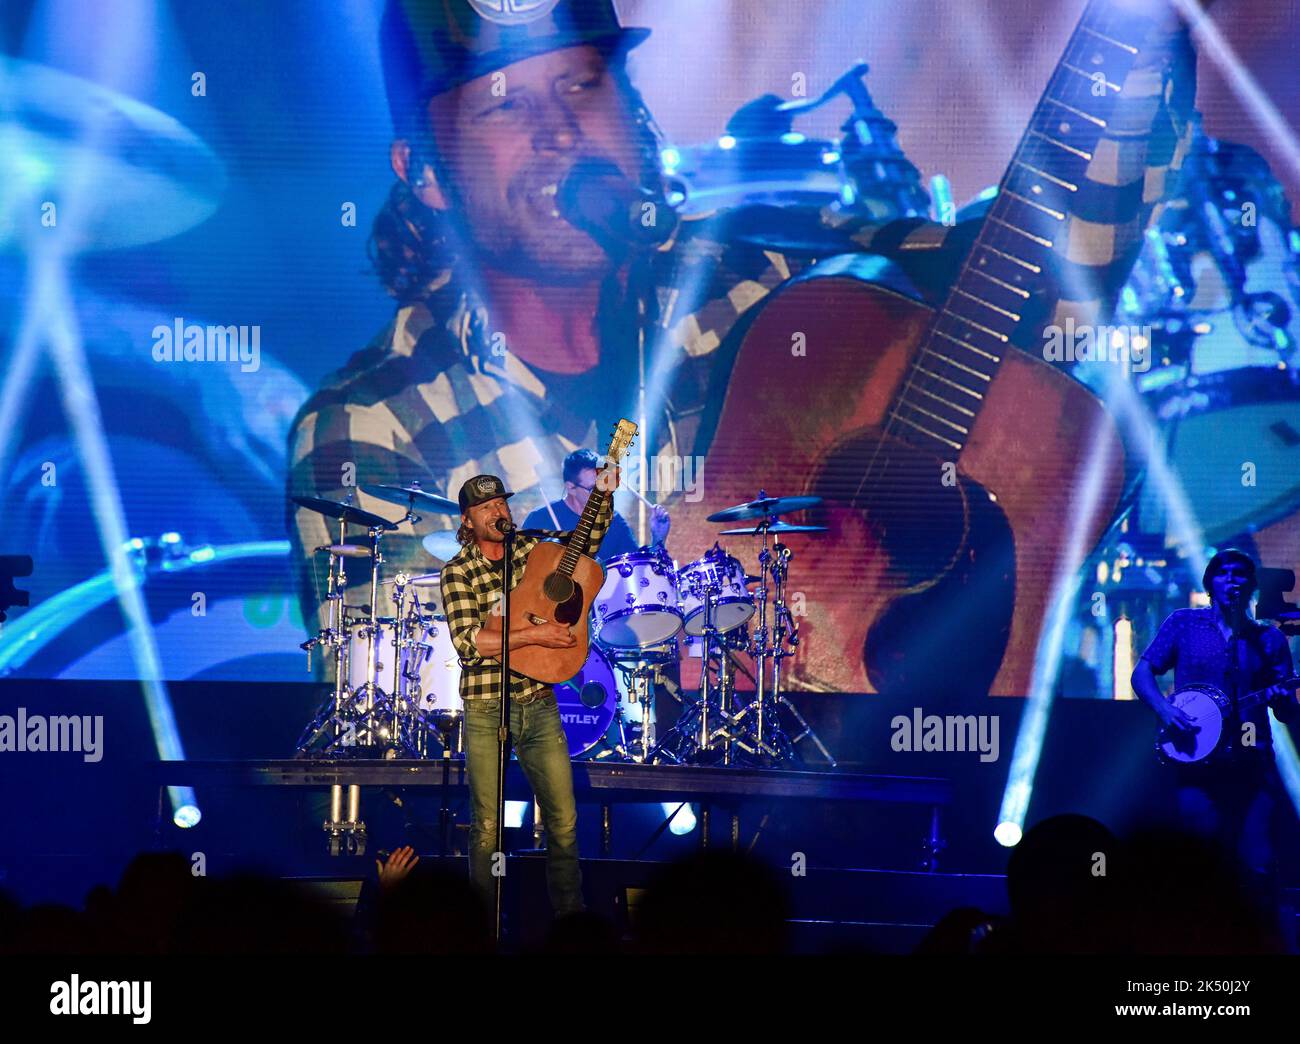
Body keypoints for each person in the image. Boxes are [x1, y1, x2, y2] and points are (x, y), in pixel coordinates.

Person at [287, 0, 1201, 693]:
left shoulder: (772, 284)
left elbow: (1042, 274)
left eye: (582, 86)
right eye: (502, 107)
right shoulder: (368, 424)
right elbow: (399, 693)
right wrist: (730, 613)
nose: (560, 132)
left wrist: (1138, 46)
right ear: (426, 175)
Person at [439, 468, 617, 916]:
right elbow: (470, 642)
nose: (497, 511)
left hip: (539, 703)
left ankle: (570, 925)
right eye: (486, 507)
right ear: (467, 521)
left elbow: (586, 543)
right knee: (485, 827)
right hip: (485, 707)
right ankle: (480, 929)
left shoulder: (534, 550)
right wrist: (535, 637)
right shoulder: (457, 571)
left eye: (501, 502)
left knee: (565, 821)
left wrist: (602, 495)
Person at [1131, 548, 1300, 907]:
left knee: (1258, 863)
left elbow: (1286, 712)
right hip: (1195, 763)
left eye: (1240, 573)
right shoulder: (1183, 624)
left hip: (1253, 766)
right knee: (1199, 859)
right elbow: (1142, 672)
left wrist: (1283, 698)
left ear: (1251, 585)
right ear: (1210, 584)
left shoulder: (1269, 638)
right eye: (1223, 573)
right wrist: (1164, 710)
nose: (1232, 579)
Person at [522, 447, 668, 563]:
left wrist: (658, 537)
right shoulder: (539, 521)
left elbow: (638, 570)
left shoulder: (613, 521)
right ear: (571, 487)